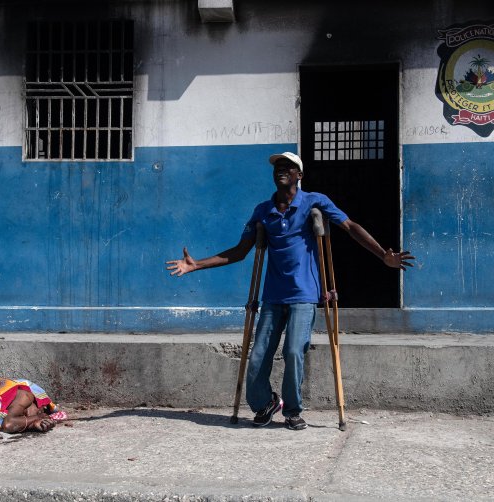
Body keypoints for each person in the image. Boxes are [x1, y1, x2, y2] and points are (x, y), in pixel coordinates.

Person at [166, 151, 414, 430]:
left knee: (294, 351)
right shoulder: (263, 210)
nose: (281, 170)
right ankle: (265, 403)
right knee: (258, 355)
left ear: (300, 175)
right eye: (277, 167)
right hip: (273, 296)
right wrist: (196, 265)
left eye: (288, 167)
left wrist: (383, 255)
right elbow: (239, 252)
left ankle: (293, 410)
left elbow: (350, 226)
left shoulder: (314, 202)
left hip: (304, 295)